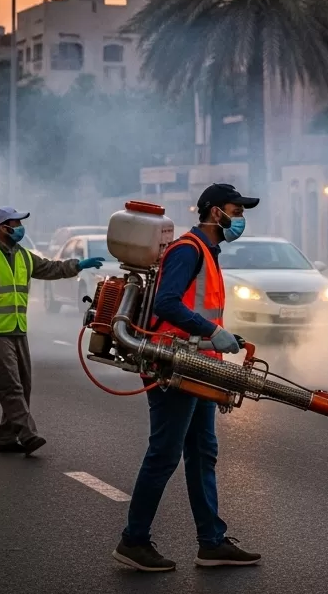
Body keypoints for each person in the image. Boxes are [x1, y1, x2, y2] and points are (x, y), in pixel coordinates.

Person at [113, 183, 263, 573]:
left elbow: (200, 309)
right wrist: (211, 331)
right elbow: (166, 303)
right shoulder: (188, 250)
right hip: (174, 364)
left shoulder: (208, 252)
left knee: (202, 453)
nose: (240, 219)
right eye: (236, 211)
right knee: (164, 454)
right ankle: (133, 541)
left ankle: (211, 543)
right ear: (215, 212)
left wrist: (220, 336)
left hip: (198, 365)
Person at [0, 207, 104, 455]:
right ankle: (28, 434)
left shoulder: (24, 256)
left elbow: (51, 268)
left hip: (17, 328)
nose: (20, 228)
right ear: (2, 228)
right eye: (16, 224)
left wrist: (77, 265)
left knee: (23, 384)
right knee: (10, 385)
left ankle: (5, 436)